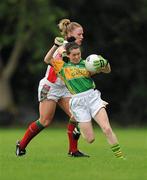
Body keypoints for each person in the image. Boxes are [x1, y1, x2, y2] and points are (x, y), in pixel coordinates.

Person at [16, 19, 89, 157]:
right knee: (45, 121)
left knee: (77, 115)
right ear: (70, 34)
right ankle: (21, 145)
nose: (82, 36)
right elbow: (61, 51)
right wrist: (62, 50)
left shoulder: (75, 50)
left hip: (64, 89)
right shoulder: (64, 46)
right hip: (50, 87)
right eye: (79, 34)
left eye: (82, 34)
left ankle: (73, 150)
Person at [49, 41, 125, 159]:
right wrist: (55, 46)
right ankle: (78, 125)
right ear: (68, 55)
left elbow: (107, 70)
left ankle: (120, 157)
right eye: (74, 55)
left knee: (106, 128)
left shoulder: (87, 64)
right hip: (78, 102)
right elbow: (47, 59)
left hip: (92, 98)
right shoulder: (62, 66)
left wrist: (105, 63)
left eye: (78, 54)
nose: (77, 56)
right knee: (90, 139)